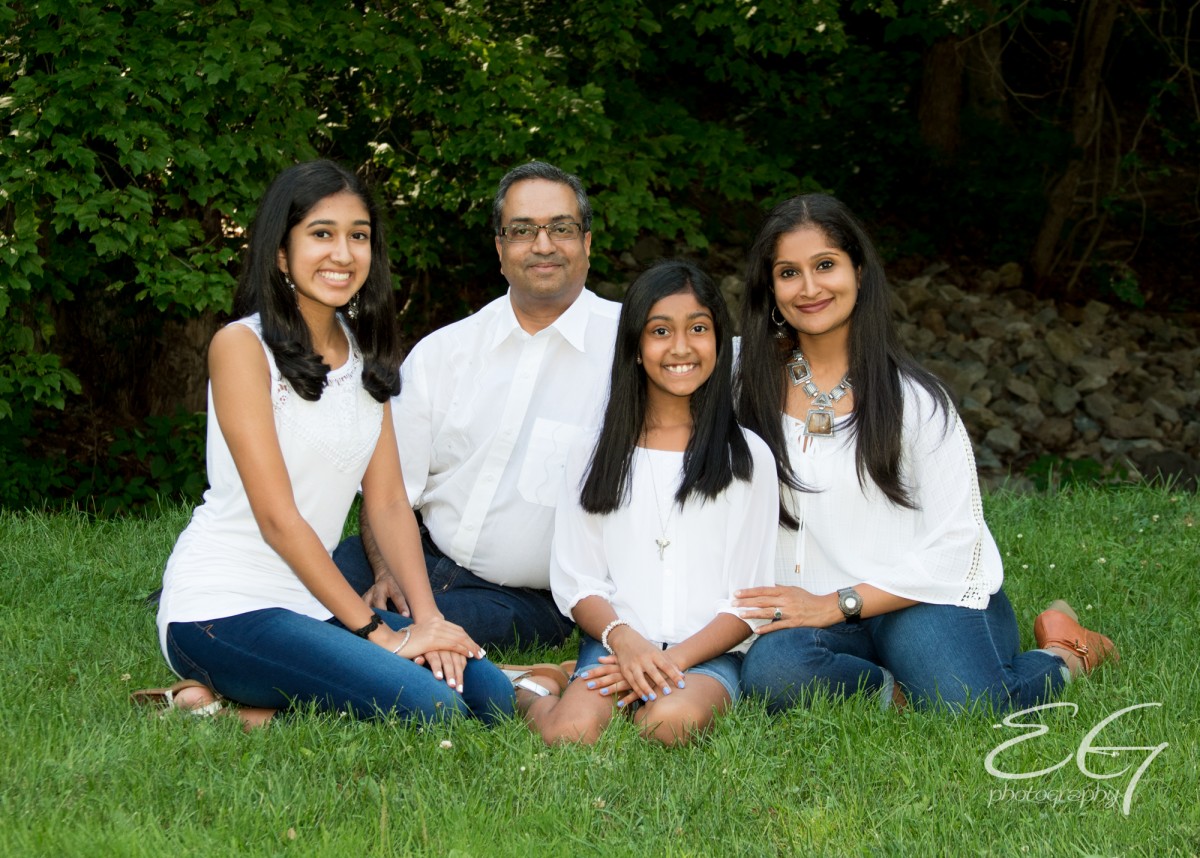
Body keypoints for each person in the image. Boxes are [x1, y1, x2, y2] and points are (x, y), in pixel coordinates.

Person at [136, 160, 514, 727]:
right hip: (222, 608)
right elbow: (278, 518)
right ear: (281, 252)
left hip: (312, 604)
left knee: (489, 697)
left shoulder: (362, 354)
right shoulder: (241, 347)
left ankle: (232, 701)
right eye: (321, 233)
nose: (343, 253)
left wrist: (428, 621)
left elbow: (388, 502)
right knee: (431, 707)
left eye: (358, 236)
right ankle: (224, 712)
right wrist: (378, 634)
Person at [732, 194, 1118, 713]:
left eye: (825, 265)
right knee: (775, 672)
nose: (809, 288)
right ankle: (898, 691)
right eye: (788, 273)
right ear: (769, 287)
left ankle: (1065, 652)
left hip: (919, 599)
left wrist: (836, 604)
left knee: (965, 703)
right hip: (811, 617)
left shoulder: (916, 401)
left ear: (859, 272)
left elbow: (957, 547)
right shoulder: (740, 381)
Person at [333, 161, 620, 649]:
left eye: (561, 228)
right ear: (500, 249)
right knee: (311, 586)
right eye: (522, 230)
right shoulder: (444, 352)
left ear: (587, 243)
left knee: (369, 627)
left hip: (522, 599)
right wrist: (386, 570)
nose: (543, 245)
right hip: (415, 554)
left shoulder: (632, 354)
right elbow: (389, 490)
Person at [524, 260, 777, 746]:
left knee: (668, 724)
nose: (681, 347)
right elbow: (579, 582)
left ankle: (599, 679)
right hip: (617, 641)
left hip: (705, 653)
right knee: (571, 733)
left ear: (719, 342)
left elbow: (749, 603)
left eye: (698, 329)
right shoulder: (593, 452)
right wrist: (627, 644)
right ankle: (535, 685)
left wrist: (666, 661)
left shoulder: (747, 457)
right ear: (636, 348)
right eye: (661, 331)